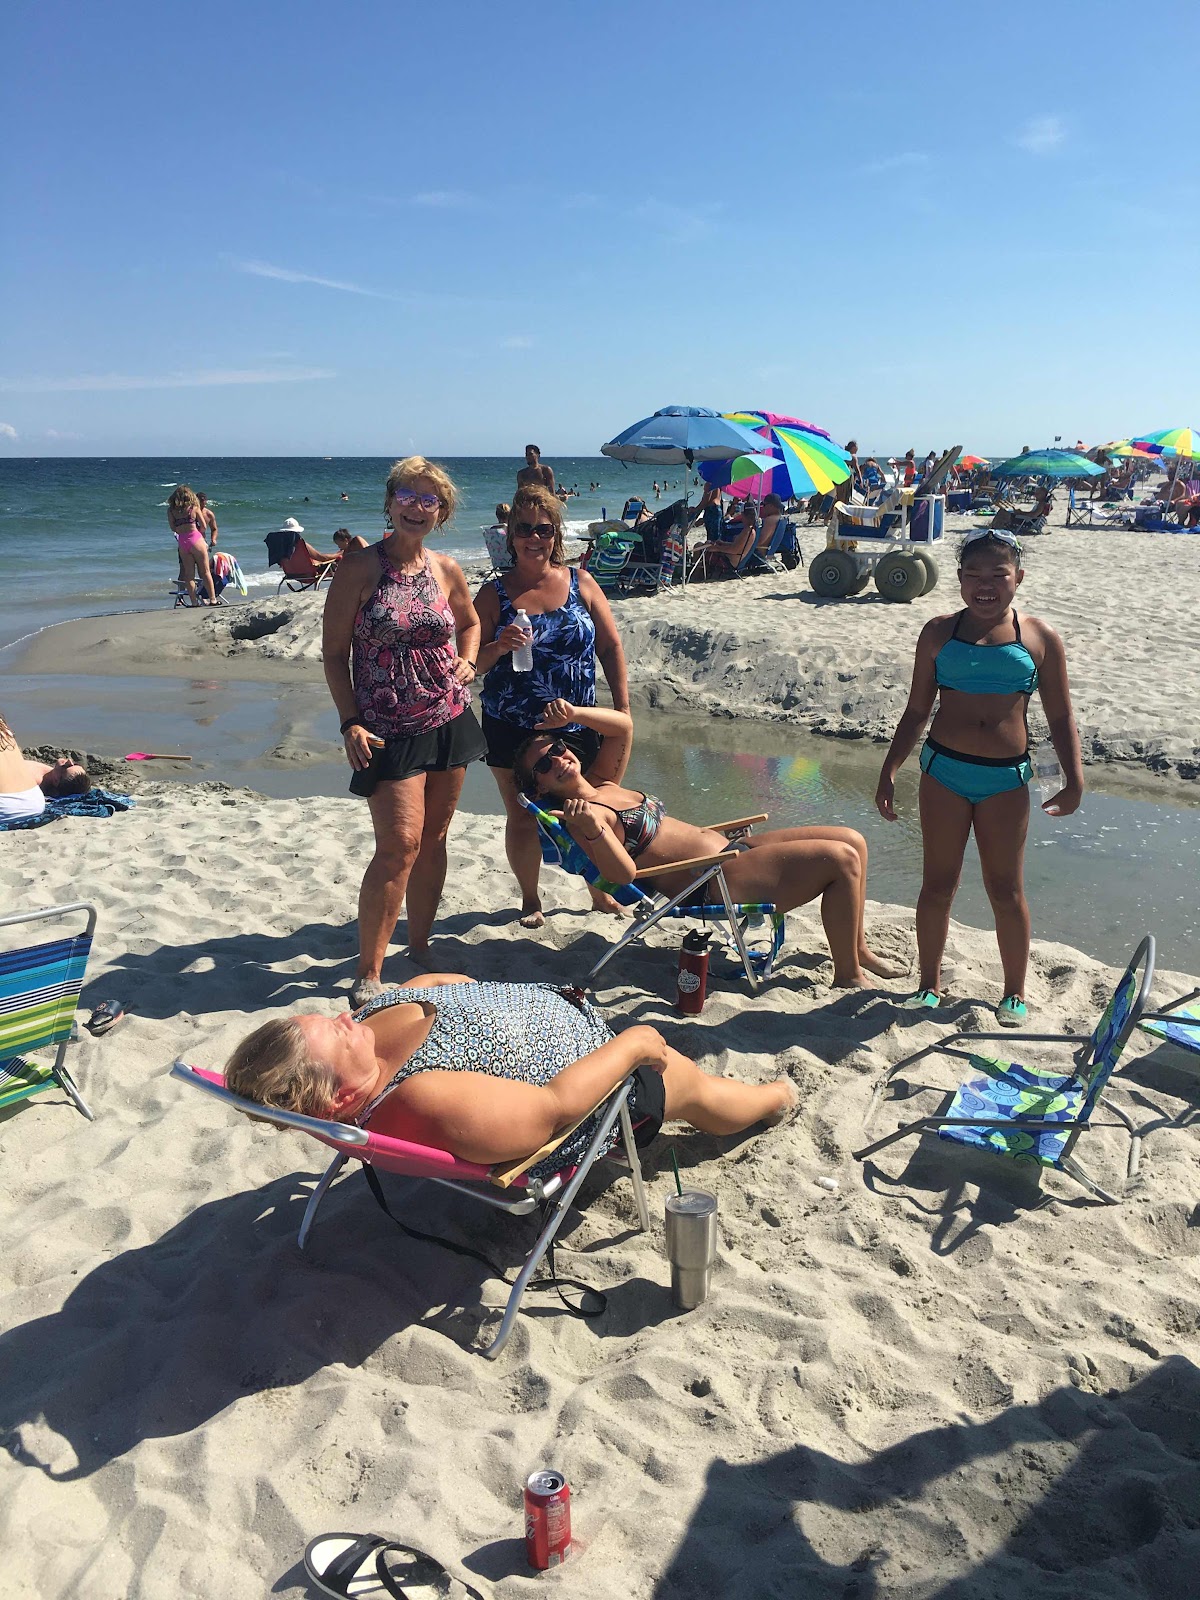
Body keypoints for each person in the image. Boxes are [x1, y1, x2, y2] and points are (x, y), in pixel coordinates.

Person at [224, 975, 798, 1173]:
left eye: (332, 1017)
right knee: (693, 1086)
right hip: (603, 1093)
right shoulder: (420, 1099)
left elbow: (453, 988)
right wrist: (631, 1046)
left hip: (568, 1022)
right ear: (338, 1098)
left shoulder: (370, 1037)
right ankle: (773, 1100)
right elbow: (552, 1110)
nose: (349, 1017)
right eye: (338, 1033)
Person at [516, 704, 903, 990]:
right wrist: (593, 832)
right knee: (840, 859)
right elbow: (623, 875)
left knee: (852, 840)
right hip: (714, 880)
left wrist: (573, 715)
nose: (558, 760)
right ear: (540, 786)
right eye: (544, 766)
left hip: (730, 851)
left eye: (558, 748)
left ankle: (858, 950)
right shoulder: (585, 818)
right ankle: (848, 975)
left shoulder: (604, 782)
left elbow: (624, 728)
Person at [874, 529, 1083, 1027]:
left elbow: (1060, 717)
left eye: (997, 575)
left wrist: (1072, 780)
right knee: (937, 884)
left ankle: (1014, 993)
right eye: (973, 574)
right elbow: (917, 710)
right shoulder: (938, 633)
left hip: (1005, 780)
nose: (985, 585)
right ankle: (928, 984)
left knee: (1006, 889)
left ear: (1018, 578)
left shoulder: (1039, 638)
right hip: (943, 772)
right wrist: (890, 769)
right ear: (959, 578)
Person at [321, 457, 487, 1003]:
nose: (417, 508)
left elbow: (470, 622)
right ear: (390, 503)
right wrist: (349, 721)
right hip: (385, 726)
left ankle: (419, 945)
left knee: (434, 837)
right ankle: (370, 971)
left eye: (429, 500)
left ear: (442, 512)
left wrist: (468, 660)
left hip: (448, 715)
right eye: (408, 497)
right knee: (399, 845)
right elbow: (334, 653)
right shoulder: (359, 568)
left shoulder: (446, 568)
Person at [473, 483, 630, 927]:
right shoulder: (493, 594)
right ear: (510, 535)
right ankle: (530, 898)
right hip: (511, 726)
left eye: (543, 529)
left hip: (577, 723)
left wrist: (622, 709)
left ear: (555, 534)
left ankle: (600, 893)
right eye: (524, 529)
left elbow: (610, 646)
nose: (534, 538)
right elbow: (470, 664)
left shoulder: (581, 582)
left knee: (592, 810)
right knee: (523, 817)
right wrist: (499, 646)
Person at [0, 712, 90, 824]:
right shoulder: (4, 730)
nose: (69, 761)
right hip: (36, 802)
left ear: (56, 780)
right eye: (75, 764)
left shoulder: (38, 779)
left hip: (8, 805)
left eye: (67, 766)